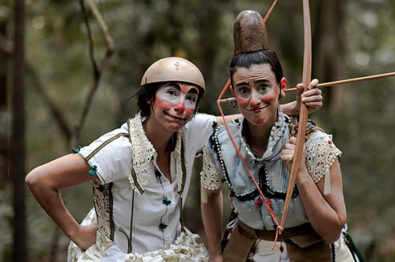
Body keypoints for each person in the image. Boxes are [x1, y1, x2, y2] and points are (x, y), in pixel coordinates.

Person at [26, 56, 323, 261]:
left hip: (173, 253)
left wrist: (292, 107)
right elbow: (40, 179)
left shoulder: (190, 130)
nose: (181, 106)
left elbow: (239, 118)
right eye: (171, 93)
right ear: (149, 97)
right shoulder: (120, 149)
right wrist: (76, 233)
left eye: (191, 97)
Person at [200, 10, 351, 262]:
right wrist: (215, 252)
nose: (254, 100)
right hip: (246, 250)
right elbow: (209, 195)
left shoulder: (315, 144)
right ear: (233, 96)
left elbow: (332, 230)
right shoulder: (219, 143)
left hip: (314, 252)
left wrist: (300, 173)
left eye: (262, 87)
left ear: (282, 87)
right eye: (243, 90)